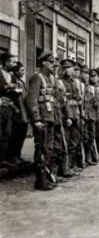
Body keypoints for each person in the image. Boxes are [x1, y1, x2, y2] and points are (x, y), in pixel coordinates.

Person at [26, 52, 58, 190]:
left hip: (49, 118)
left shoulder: (49, 79)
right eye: (51, 63)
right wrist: (36, 119)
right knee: (41, 149)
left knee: (48, 149)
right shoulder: (37, 78)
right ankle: (41, 181)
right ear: (44, 63)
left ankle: (46, 177)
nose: (53, 65)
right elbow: (31, 100)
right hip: (42, 120)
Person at [8, 62, 28, 165]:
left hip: (23, 112)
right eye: (21, 70)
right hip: (17, 112)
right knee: (15, 135)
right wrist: (15, 108)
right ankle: (12, 156)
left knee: (22, 134)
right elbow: (11, 97)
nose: (23, 72)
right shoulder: (12, 81)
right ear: (16, 71)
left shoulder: (22, 82)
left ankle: (18, 155)